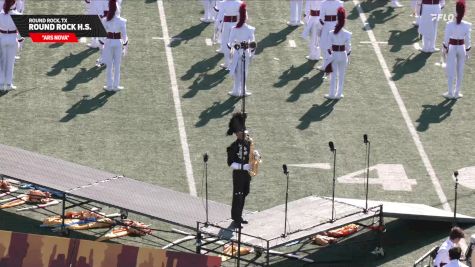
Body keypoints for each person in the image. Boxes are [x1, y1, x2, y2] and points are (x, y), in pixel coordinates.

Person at [442, 0, 471, 100]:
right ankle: (457, 92)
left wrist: (444, 49)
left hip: (452, 47)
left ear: (456, 11)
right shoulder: (467, 25)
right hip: (462, 47)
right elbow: (468, 40)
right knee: (460, 70)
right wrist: (467, 51)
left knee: (451, 70)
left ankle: (450, 92)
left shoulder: (449, 24)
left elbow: (446, 39)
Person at [226, 112, 251, 226]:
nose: (244, 133)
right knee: (238, 195)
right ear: (236, 133)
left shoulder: (248, 143)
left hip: (247, 174)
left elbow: (249, 155)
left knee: (245, 192)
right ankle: (236, 218)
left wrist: (255, 156)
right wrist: (242, 166)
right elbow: (230, 163)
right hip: (238, 175)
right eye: (241, 131)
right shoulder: (233, 146)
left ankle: (239, 215)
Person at [227, 2, 255, 97]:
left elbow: (229, 43)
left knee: (236, 72)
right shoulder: (250, 29)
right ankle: (243, 90)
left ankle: (236, 90)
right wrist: (251, 53)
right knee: (244, 72)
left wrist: (232, 50)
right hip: (246, 52)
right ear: (246, 17)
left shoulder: (234, 29)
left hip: (236, 52)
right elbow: (253, 44)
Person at [324, 7, 351, 100]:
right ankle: (339, 94)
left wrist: (330, 56)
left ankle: (332, 94)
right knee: (341, 76)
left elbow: (328, 47)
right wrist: (346, 55)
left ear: (337, 19)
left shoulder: (331, 33)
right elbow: (348, 48)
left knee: (333, 75)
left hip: (334, 55)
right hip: (343, 55)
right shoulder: (348, 34)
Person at [102, 0, 128, 91]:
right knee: (117, 65)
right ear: (118, 9)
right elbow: (125, 36)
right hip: (117, 43)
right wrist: (126, 47)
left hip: (108, 43)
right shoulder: (122, 21)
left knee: (109, 66)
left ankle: (109, 86)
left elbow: (101, 35)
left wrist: (103, 44)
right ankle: (115, 86)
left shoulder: (105, 20)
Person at [0, 0, 22, 91]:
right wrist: (20, 42)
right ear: (13, 4)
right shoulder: (18, 15)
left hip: (2, 38)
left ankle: (1, 85)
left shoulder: (0, 15)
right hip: (12, 39)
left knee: (1, 63)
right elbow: (20, 31)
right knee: (10, 63)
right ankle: (9, 84)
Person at [216, 0, 242, 68]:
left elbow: (220, 16)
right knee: (235, 43)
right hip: (236, 24)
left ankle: (227, 63)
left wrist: (217, 26)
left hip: (227, 25)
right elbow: (242, 16)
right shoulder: (239, 3)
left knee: (225, 43)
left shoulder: (223, 3)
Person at [319, 0, 343, 70]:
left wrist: (320, 29)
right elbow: (341, 18)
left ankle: (325, 65)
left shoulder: (323, 3)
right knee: (334, 46)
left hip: (326, 26)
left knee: (323, 45)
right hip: (336, 26)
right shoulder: (340, 3)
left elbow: (321, 19)